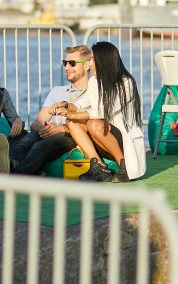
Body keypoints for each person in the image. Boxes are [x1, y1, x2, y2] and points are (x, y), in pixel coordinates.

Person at [58, 41, 146, 183]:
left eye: (92, 59)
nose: (89, 62)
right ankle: (99, 167)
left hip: (122, 139)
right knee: (72, 122)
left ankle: (124, 166)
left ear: (103, 59)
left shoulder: (126, 82)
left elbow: (102, 112)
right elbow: (83, 103)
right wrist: (66, 105)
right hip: (104, 138)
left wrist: (73, 113)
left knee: (94, 124)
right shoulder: (94, 81)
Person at [11, 45, 93, 175]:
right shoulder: (57, 91)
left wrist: (60, 128)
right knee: (22, 144)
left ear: (87, 65)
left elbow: (91, 126)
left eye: (72, 63)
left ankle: (13, 180)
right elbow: (36, 124)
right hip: (50, 133)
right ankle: (15, 172)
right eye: (64, 63)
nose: (66, 67)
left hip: (72, 136)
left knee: (39, 147)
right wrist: (45, 127)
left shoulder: (93, 93)